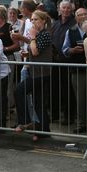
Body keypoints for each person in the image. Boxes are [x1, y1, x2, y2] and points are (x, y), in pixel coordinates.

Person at [15, 10, 54, 141]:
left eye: (36, 19)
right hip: (36, 72)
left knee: (19, 90)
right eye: (32, 20)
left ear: (43, 21)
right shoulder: (39, 35)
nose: (33, 22)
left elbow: (36, 51)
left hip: (42, 73)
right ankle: (44, 130)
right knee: (38, 102)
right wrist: (27, 54)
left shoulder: (45, 34)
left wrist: (31, 37)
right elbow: (34, 51)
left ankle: (25, 121)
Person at [62, 8, 87, 133]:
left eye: (85, 14)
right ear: (76, 17)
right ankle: (81, 124)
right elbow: (65, 49)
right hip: (78, 69)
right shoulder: (71, 30)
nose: (83, 16)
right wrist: (72, 50)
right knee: (80, 99)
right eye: (80, 15)